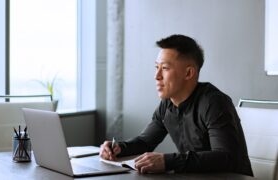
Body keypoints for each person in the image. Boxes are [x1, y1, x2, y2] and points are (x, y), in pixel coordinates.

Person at [100, 34, 253, 176]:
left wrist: (168, 161)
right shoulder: (167, 104)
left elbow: (225, 157)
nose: (156, 76)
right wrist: (118, 148)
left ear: (188, 73)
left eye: (165, 68)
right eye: (156, 67)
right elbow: (145, 142)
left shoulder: (214, 102)